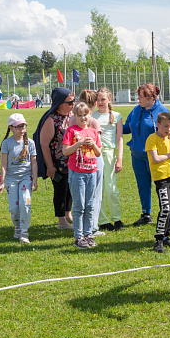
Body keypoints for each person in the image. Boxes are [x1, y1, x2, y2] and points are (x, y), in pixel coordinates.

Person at [122, 83, 170, 226]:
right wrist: (112, 122)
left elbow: (169, 133)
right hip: (137, 155)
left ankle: (165, 212)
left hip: (156, 157)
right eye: (138, 96)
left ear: (151, 97)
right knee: (143, 186)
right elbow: (126, 128)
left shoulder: (162, 111)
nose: (138, 99)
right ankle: (146, 214)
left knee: (161, 186)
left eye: (141, 96)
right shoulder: (136, 110)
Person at [33, 87, 75, 230]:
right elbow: (44, 144)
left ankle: (68, 214)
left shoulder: (71, 116)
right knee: (60, 190)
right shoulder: (51, 119)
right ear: (59, 103)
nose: (73, 105)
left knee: (70, 189)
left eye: (73, 101)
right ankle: (61, 221)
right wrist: (50, 166)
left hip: (71, 161)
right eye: (70, 102)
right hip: (57, 163)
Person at [62, 102, 102, 249]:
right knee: (79, 206)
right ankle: (78, 237)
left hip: (92, 173)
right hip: (77, 173)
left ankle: (88, 234)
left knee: (90, 205)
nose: (83, 118)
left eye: (85, 115)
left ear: (89, 116)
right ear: (75, 116)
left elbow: (98, 153)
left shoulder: (93, 131)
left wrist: (93, 145)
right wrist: (78, 144)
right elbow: (66, 151)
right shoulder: (71, 131)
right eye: (79, 115)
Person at [0, 113, 38, 244]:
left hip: (26, 178)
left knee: (25, 204)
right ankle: (17, 227)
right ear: (11, 128)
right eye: (18, 126)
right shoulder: (7, 143)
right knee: (14, 208)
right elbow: (3, 164)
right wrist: (2, 182)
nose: (21, 129)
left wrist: (35, 179)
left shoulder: (30, 143)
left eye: (23, 126)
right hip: (11, 180)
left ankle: (24, 232)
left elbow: (34, 162)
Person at [70, 89, 105, 237]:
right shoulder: (93, 121)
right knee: (94, 196)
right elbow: (98, 145)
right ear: (95, 103)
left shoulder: (73, 118)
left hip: (75, 161)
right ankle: (91, 227)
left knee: (79, 198)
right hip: (92, 161)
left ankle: (80, 228)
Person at [146, 112, 170, 253]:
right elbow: (155, 159)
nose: (168, 129)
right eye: (166, 126)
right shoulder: (152, 139)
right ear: (158, 125)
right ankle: (158, 239)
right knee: (165, 207)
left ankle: (167, 236)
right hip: (161, 177)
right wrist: (169, 155)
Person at [92, 88, 124, 231]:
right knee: (98, 188)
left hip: (110, 155)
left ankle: (116, 219)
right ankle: (103, 221)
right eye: (98, 99)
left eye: (103, 99)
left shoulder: (116, 116)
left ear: (109, 100)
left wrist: (120, 159)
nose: (100, 102)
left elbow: (119, 139)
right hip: (95, 154)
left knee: (111, 189)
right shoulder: (92, 116)